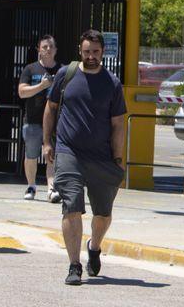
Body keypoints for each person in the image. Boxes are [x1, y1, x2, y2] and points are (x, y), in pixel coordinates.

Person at [43, 30, 127, 286]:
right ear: (80, 50)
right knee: (71, 207)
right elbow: (51, 108)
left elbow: (118, 124)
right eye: (87, 51)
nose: (91, 56)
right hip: (69, 152)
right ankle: (74, 265)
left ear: (103, 52)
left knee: (103, 214)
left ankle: (95, 246)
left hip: (101, 157)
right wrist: (48, 142)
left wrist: (119, 158)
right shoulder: (65, 75)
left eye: (96, 52)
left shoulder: (111, 83)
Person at [18, 34, 63, 202]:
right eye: (45, 47)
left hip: (56, 122)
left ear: (56, 50)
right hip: (32, 120)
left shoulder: (62, 70)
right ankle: (31, 186)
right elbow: (22, 92)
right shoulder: (30, 69)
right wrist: (42, 86)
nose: (48, 50)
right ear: (39, 50)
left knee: (52, 155)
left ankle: (52, 189)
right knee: (31, 155)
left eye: (51, 46)